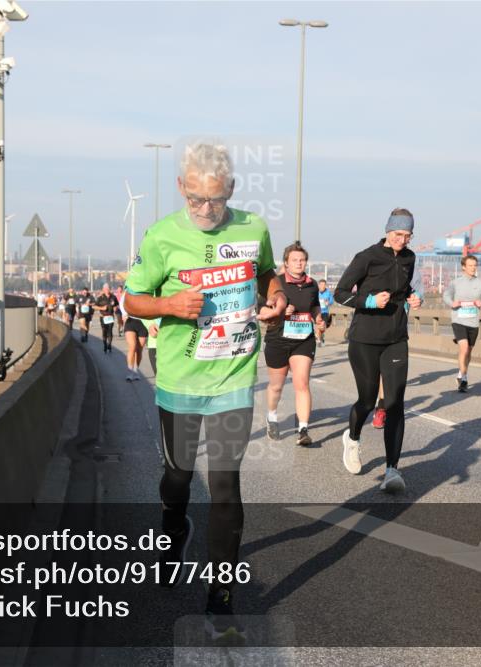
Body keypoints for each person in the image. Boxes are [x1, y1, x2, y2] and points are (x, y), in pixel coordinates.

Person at [123, 142, 285, 643]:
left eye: (214, 200)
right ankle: (173, 527)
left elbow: (266, 272)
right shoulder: (161, 237)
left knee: (225, 487)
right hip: (178, 383)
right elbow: (132, 297)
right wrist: (170, 304)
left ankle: (221, 597)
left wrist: (276, 296)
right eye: (195, 199)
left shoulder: (253, 227)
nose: (205, 210)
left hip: (234, 378)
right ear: (181, 190)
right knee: (177, 478)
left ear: (231, 190)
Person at [335, 208, 423, 492]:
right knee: (367, 399)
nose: (402, 241)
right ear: (388, 231)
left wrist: (413, 297)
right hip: (364, 338)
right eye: (398, 234)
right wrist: (369, 301)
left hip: (396, 337)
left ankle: (392, 471)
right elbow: (341, 293)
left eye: (408, 236)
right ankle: (353, 437)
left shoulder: (409, 258)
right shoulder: (367, 257)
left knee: (395, 402)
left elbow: (407, 287)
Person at [264, 242, 325, 447]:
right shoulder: (276, 284)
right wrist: (282, 311)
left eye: (302, 260)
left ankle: (303, 429)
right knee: (276, 386)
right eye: (295, 260)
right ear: (286, 263)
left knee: (302, 383)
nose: (299, 263)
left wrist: (318, 319)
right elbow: (263, 310)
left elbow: (315, 305)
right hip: (278, 339)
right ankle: (272, 416)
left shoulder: (312, 284)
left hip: (303, 340)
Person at [443, 254, 481, 392]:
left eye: (475, 265)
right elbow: (446, 295)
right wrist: (452, 303)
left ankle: (461, 373)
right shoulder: (456, 282)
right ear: (464, 267)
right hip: (458, 320)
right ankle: (464, 378)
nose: (473, 268)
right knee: (464, 348)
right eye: (470, 265)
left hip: (473, 322)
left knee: (469, 351)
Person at [120, 289, 149, 381]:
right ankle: (130, 371)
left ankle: (136, 371)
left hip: (143, 321)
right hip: (130, 320)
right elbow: (122, 302)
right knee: (132, 346)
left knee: (139, 349)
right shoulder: (129, 289)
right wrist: (124, 313)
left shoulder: (148, 289)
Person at [94, 283, 120, 354]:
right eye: (106, 289)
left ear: (110, 289)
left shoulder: (113, 297)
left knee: (110, 331)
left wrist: (115, 308)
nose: (107, 290)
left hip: (111, 316)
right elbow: (94, 306)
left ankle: (109, 345)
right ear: (103, 289)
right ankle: (105, 344)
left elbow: (117, 305)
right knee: (104, 331)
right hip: (103, 317)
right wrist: (101, 308)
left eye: (108, 288)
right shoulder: (100, 297)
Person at [316, 279, 334, 346]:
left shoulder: (328, 293)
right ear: (319, 285)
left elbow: (332, 301)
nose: (322, 286)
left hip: (325, 312)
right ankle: (318, 340)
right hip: (318, 312)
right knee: (319, 326)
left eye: (324, 285)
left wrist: (328, 302)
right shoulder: (316, 292)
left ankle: (322, 335)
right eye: (321, 285)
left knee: (323, 327)